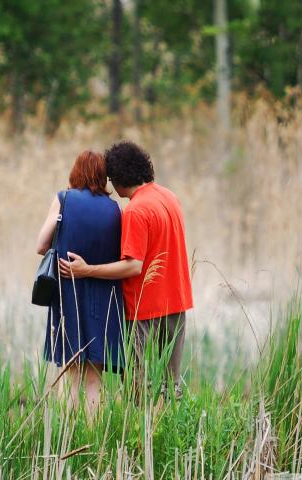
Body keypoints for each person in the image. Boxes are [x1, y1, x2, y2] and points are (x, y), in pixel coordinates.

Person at [59, 141, 193, 399]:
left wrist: (87, 270)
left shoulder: (135, 210)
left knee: (138, 390)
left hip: (144, 310)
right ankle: (167, 423)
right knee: (169, 387)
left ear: (119, 178)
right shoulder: (170, 197)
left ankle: (141, 426)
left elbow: (133, 265)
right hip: (177, 304)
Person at [36, 150, 124, 415]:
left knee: (70, 370)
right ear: (103, 176)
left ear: (76, 172)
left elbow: (41, 246)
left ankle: (67, 432)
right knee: (94, 376)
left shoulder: (64, 199)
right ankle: (93, 434)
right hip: (104, 298)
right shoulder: (115, 209)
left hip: (68, 293)